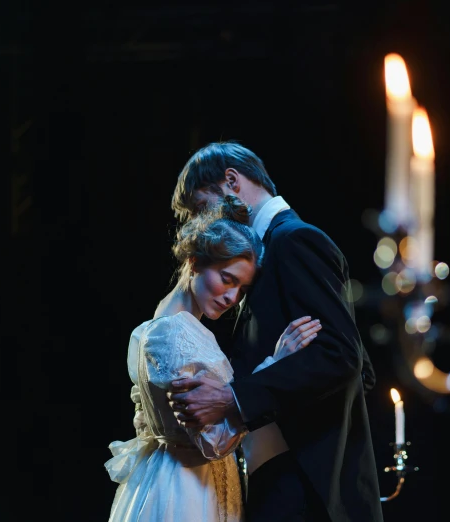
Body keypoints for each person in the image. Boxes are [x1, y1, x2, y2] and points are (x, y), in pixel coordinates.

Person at [168, 142, 383, 521]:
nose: (209, 224)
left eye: (205, 207)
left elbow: (345, 357)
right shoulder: (263, 254)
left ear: (231, 181)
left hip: (306, 484)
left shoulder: (294, 240)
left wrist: (235, 398)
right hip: (284, 481)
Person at [105, 195, 322, 522]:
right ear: (194, 263)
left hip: (171, 478)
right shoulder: (177, 335)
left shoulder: (153, 326)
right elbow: (213, 442)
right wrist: (275, 365)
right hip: (189, 491)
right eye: (227, 278)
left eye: (241, 289)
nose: (232, 297)